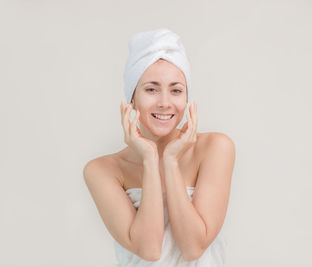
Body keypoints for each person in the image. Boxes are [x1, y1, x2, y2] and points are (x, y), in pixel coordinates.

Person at [83, 28, 236, 266]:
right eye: (151, 89)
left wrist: (171, 161)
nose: (165, 103)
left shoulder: (215, 148)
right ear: (132, 99)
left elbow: (193, 247)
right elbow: (150, 249)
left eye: (176, 90)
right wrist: (150, 160)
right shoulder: (102, 170)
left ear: (186, 99)